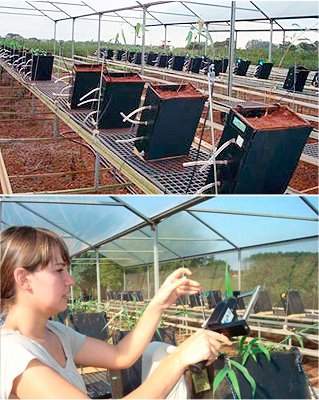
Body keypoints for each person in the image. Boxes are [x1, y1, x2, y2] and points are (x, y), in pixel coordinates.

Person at [0, 226, 232, 399]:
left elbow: (121, 355)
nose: (70, 280)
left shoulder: (56, 333)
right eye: (59, 270)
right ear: (23, 279)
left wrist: (158, 304)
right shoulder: (11, 353)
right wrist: (179, 358)